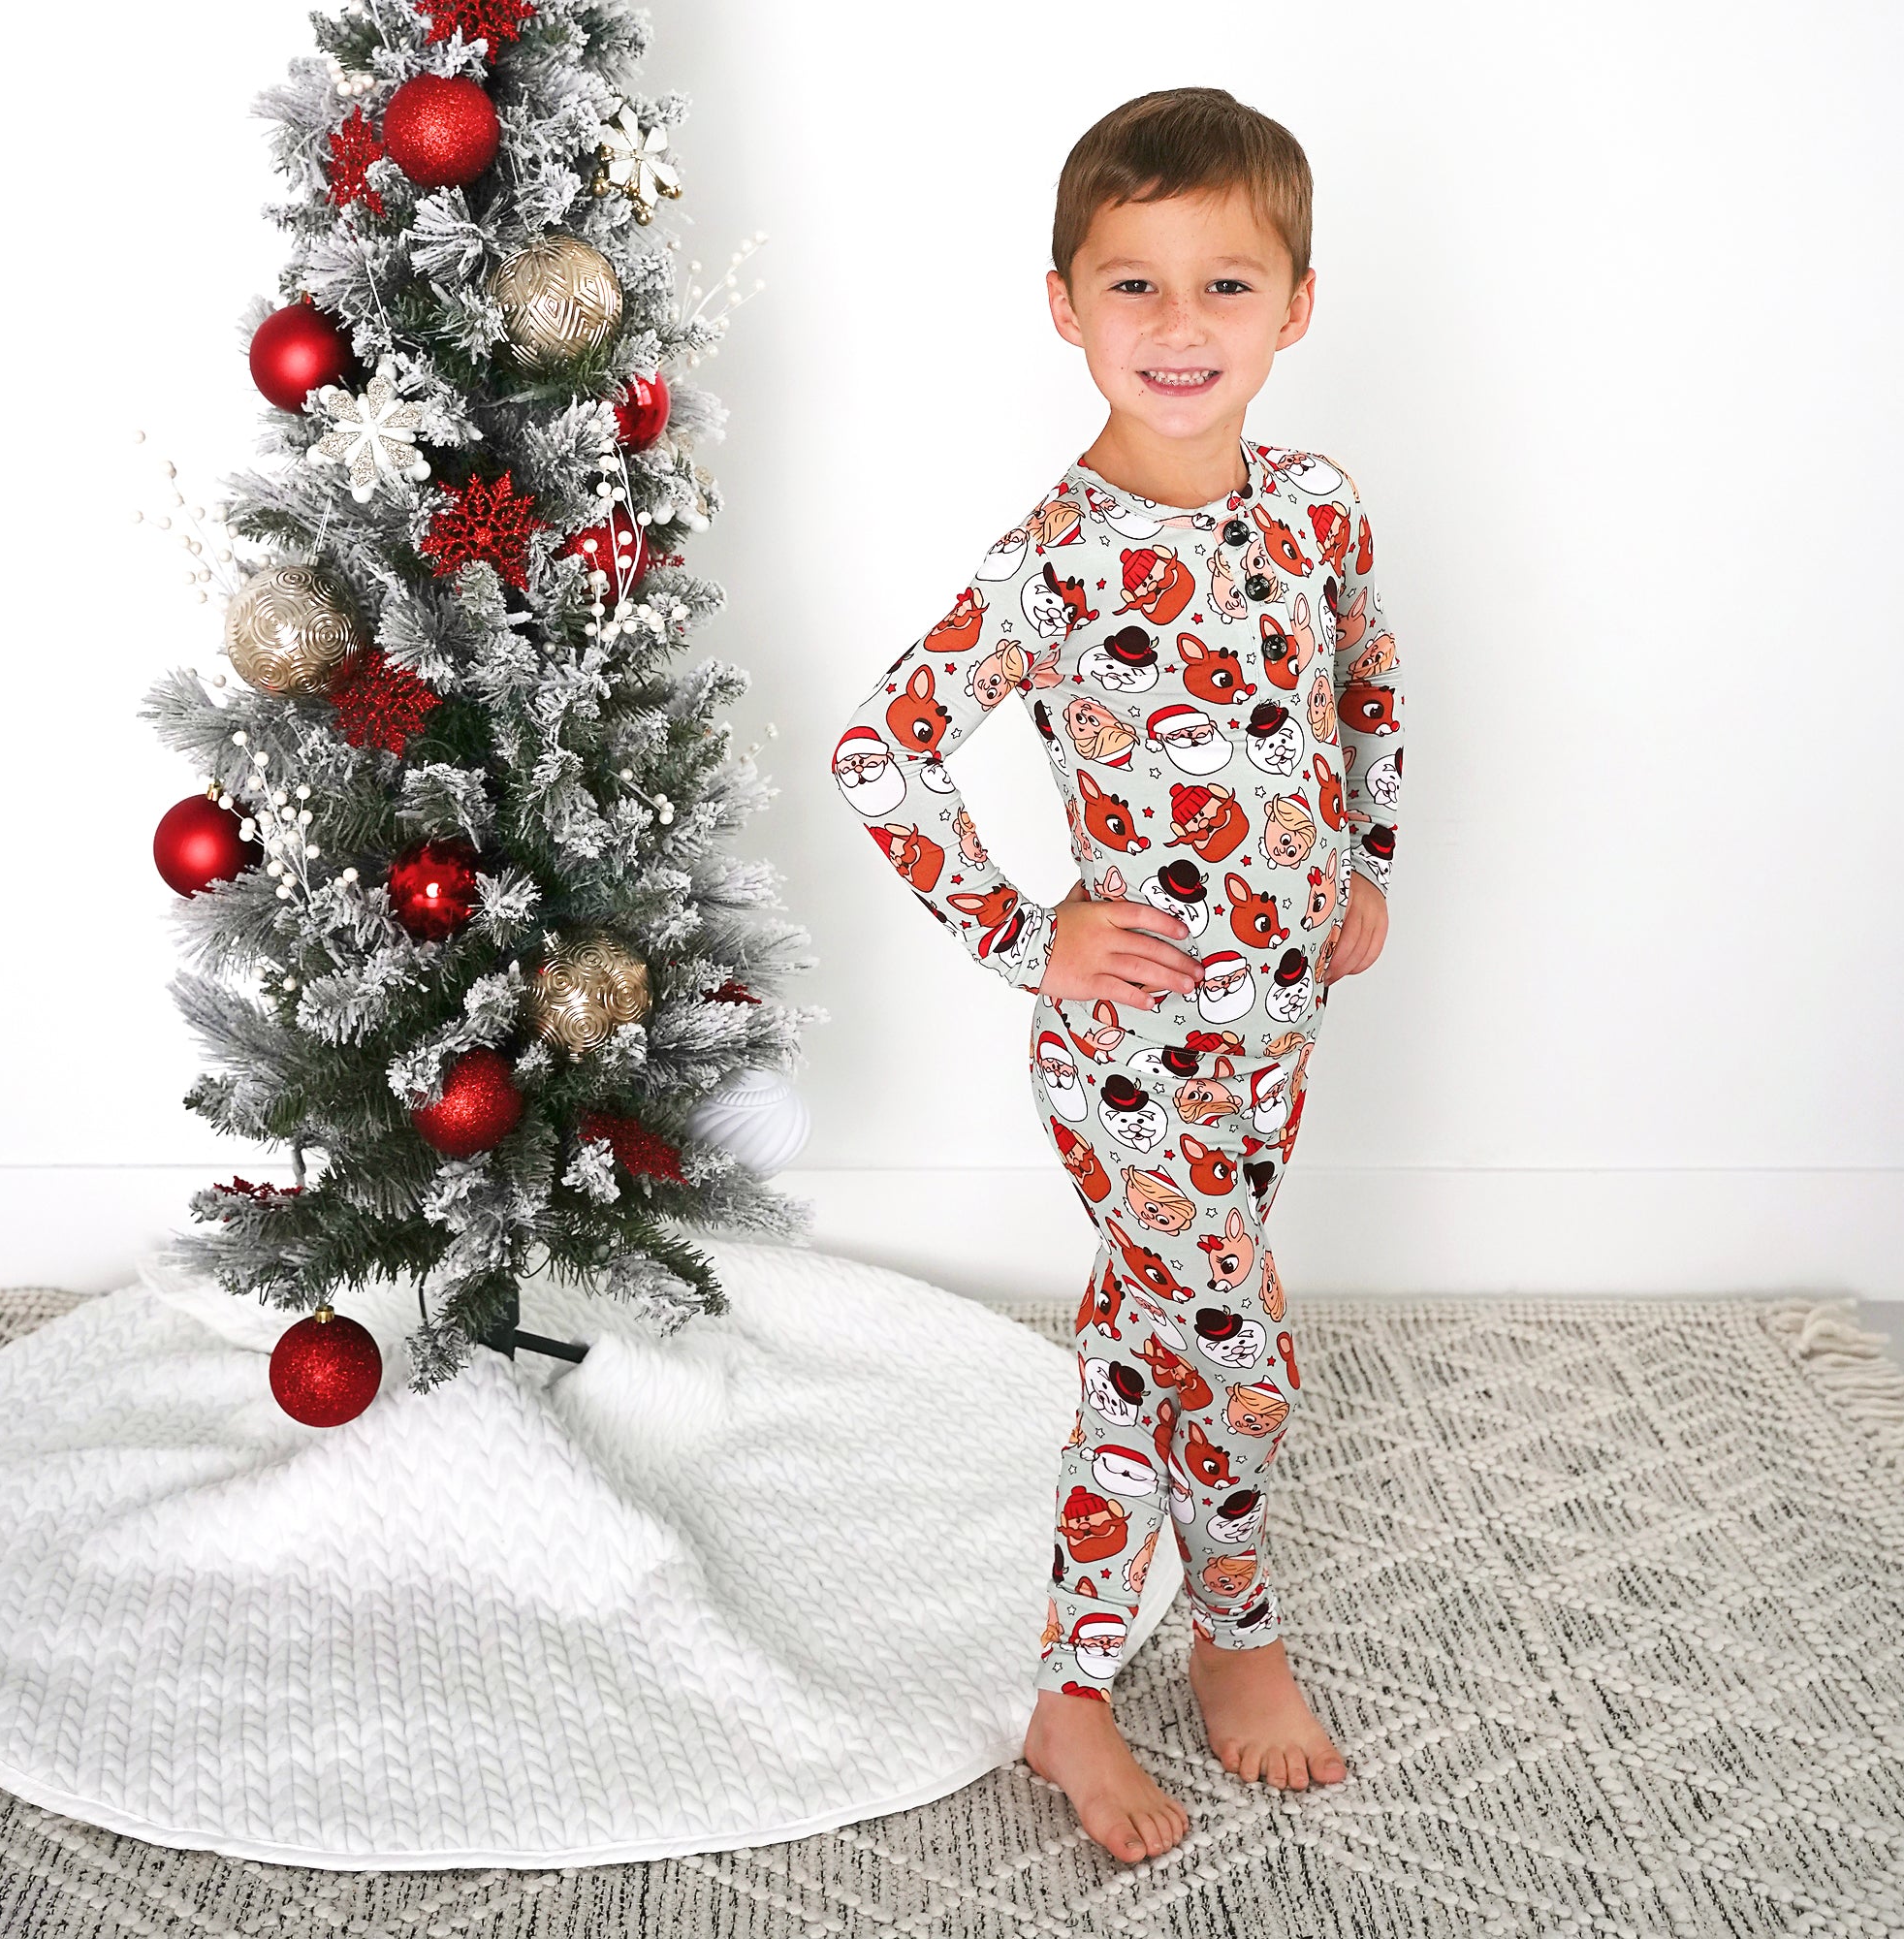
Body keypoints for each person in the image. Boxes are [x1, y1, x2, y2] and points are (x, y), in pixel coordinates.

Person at [828, 86, 1400, 1863]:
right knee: (1239, 1358)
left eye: (1226, 285)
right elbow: (878, 753)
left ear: (1296, 306)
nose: (1179, 324)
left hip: (1278, 1028)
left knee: (1149, 1354)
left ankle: (1093, 1681)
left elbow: (1366, 683)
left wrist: (1370, 864)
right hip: (1130, 1047)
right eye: (1133, 284)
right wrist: (1027, 938)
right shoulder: (1055, 564)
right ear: (1064, 304)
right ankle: (1212, 1641)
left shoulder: (1315, 509)